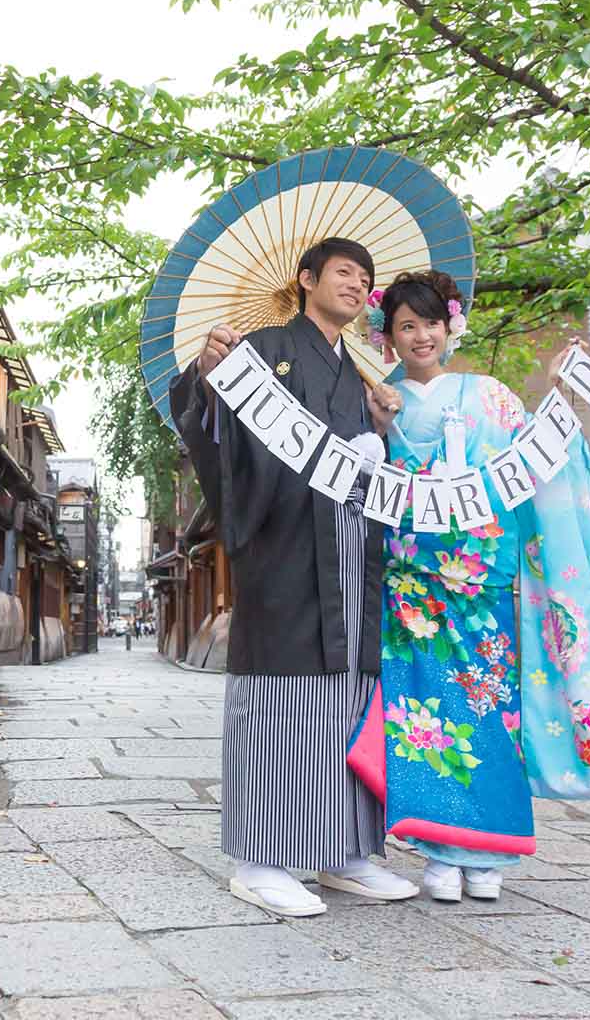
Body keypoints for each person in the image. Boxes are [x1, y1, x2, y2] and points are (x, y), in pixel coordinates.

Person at [349, 270, 590, 902]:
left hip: (480, 580)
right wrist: (376, 428)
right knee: (420, 716)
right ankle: (437, 849)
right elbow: (363, 481)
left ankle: (487, 853)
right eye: (406, 325)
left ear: (450, 326)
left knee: (488, 710)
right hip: (411, 584)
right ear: (389, 337)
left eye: (431, 322)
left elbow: (540, 457)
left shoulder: (492, 396)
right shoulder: (378, 396)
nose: (420, 335)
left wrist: (564, 397)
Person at [170, 236, 419, 918]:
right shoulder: (264, 348)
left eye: (365, 278)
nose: (358, 284)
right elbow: (207, 422)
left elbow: (378, 467)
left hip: (352, 551)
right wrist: (208, 372)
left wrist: (380, 427)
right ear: (306, 279)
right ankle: (260, 857)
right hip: (284, 546)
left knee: (350, 694)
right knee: (283, 696)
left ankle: (344, 851)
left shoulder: (362, 374)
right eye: (344, 272)